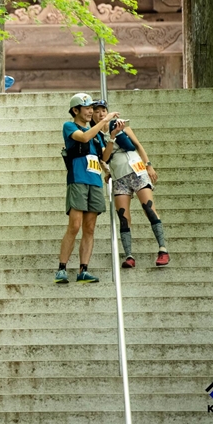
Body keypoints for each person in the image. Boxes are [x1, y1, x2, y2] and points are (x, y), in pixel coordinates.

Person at [91, 100, 170, 268]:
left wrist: (149, 165)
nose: (101, 114)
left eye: (103, 110)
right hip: (119, 176)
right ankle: (129, 255)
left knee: (149, 208)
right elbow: (104, 158)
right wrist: (112, 137)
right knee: (123, 217)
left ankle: (163, 249)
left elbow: (137, 145)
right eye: (96, 111)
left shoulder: (122, 125)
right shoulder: (96, 135)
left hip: (137, 171)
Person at [56, 93, 121, 284]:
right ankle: (62, 268)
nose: (91, 112)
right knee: (75, 225)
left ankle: (83, 269)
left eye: (92, 108)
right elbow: (83, 138)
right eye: (87, 108)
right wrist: (104, 121)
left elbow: (104, 157)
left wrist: (112, 137)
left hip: (95, 182)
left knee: (90, 227)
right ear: (75, 110)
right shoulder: (70, 126)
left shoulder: (97, 134)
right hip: (78, 179)